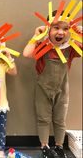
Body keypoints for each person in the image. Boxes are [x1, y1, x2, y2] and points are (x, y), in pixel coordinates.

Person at [23, 10, 82, 158]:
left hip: (62, 89)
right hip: (43, 88)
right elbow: (27, 53)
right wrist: (36, 36)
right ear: (48, 28)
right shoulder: (43, 46)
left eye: (65, 28)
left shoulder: (70, 47)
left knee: (60, 120)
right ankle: (44, 146)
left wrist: (81, 34)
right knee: (43, 119)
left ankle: (59, 146)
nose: (60, 32)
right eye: (56, 27)